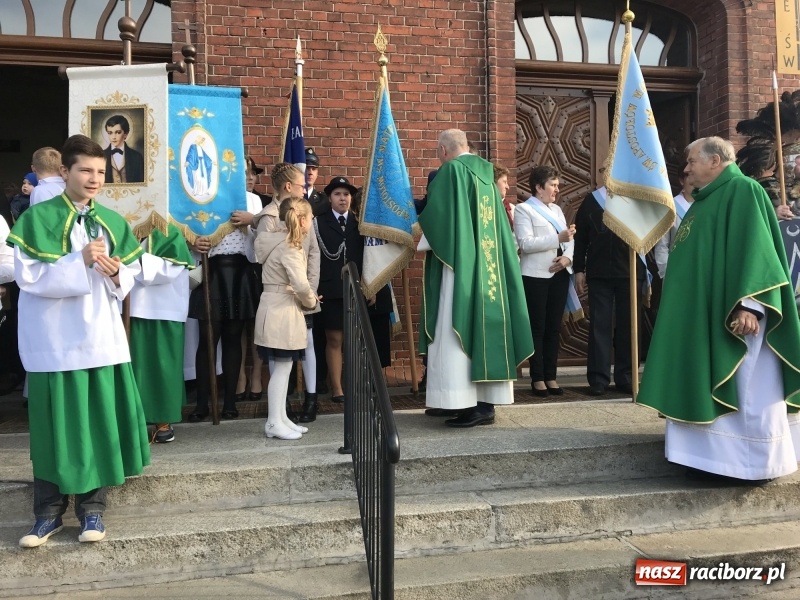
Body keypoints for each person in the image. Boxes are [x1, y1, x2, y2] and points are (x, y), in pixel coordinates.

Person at [7, 134, 149, 547]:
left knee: (96, 424)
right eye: (85, 170)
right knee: (54, 428)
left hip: (99, 336)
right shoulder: (37, 218)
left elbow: (130, 280)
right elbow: (28, 277)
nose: (93, 179)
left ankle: (92, 512)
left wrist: (115, 272)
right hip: (54, 338)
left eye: (100, 172)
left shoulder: (112, 221)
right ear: (64, 171)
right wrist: (79, 260)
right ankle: (47, 514)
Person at [637, 136, 800, 482]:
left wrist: (750, 306)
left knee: (744, 387)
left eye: (692, 160)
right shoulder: (704, 200)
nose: (686, 168)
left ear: (715, 161)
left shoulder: (743, 190)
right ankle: (706, 460)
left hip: (733, 317)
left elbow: (756, 250)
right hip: (702, 315)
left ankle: (745, 463)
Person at [418, 129, 533, 428]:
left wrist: (415, 229)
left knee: (453, 329)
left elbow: (439, 221)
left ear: (444, 150)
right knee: (484, 330)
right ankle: (474, 402)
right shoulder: (487, 174)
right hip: (489, 268)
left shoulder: (451, 172)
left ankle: (466, 402)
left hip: (461, 269)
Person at [187, 172, 262, 422]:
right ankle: (202, 403)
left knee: (233, 338)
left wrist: (251, 223)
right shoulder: (202, 198)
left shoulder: (251, 200)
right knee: (207, 341)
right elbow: (188, 231)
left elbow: (258, 246)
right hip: (212, 272)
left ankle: (230, 401)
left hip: (240, 272)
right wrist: (194, 244)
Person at [253, 163, 321, 422]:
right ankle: (279, 415)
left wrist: (310, 290)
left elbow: (312, 253)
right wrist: (307, 293)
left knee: (302, 348)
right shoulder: (271, 217)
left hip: (297, 295)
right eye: (302, 185)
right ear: (288, 186)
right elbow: (276, 258)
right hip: (285, 295)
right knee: (280, 359)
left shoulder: (303, 211)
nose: (306, 188)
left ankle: (307, 402)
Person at [573, 172, 645, 396]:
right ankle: (598, 379)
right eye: (607, 172)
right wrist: (579, 270)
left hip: (631, 272)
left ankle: (626, 377)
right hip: (599, 272)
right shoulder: (592, 200)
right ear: (602, 176)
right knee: (599, 327)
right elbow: (581, 238)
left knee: (628, 326)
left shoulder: (636, 199)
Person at [129, 223, 194, 443]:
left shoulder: (169, 231)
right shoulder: (121, 227)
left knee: (163, 368)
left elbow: (170, 269)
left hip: (164, 309)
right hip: (128, 308)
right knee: (134, 369)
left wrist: (132, 257)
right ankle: (132, 421)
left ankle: (163, 420)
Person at [515, 165, 575, 397]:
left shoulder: (558, 211)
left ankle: (551, 376)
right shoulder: (524, 210)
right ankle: (537, 377)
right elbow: (526, 244)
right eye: (552, 185)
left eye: (558, 185)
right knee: (537, 328)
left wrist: (568, 258)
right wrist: (556, 238)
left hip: (559, 274)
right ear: (539, 187)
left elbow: (568, 239)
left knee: (554, 328)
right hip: (535, 277)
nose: (556, 190)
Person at [314, 176, 364, 404]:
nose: (343, 198)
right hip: (331, 289)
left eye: (346, 194)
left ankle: (353, 384)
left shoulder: (359, 222)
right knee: (334, 339)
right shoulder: (318, 222)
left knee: (353, 341)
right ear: (330, 198)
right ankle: (337, 388)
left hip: (355, 290)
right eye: (337, 194)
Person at [653, 168, 693, 279]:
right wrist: (667, 274)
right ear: (681, 180)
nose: (694, 181)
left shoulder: (707, 206)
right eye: (690, 176)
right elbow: (662, 246)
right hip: (676, 274)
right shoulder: (670, 208)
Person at [103, 115, 145, 184]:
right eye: (110, 133)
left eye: (118, 132)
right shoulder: (99, 156)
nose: (113, 137)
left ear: (125, 134)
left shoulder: (137, 157)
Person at [304, 147, 329, 217]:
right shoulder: (291, 199)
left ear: (317, 173)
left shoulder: (324, 201)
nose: (310, 173)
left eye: (314, 169)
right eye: (307, 168)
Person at [493, 163, 515, 231]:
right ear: (494, 182)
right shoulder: (484, 206)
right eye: (504, 182)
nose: (507, 187)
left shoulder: (512, 209)